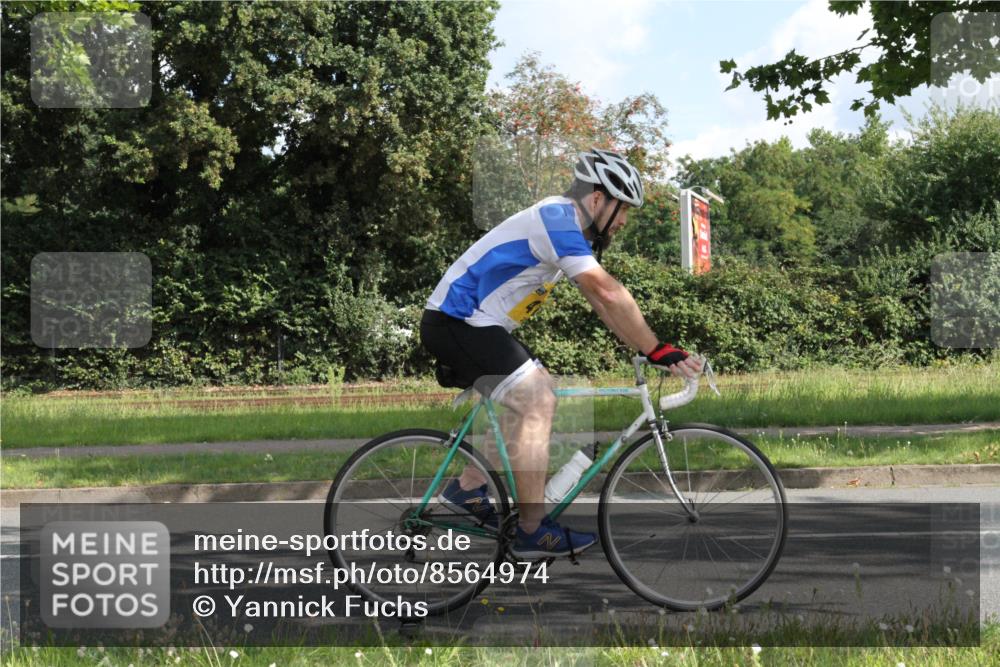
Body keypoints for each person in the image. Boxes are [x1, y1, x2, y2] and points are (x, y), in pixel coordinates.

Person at [420, 148, 703, 559]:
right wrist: (658, 348)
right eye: (623, 209)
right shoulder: (557, 218)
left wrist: (645, 348)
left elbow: (603, 305)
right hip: (458, 321)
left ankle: (467, 487)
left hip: (475, 325)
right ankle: (532, 530)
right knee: (538, 400)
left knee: (530, 394)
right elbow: (606, 291)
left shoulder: (563, 225)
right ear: (597, 199)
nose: (624, 221)